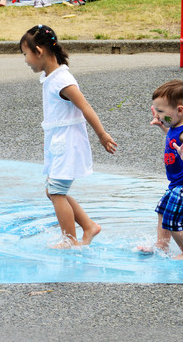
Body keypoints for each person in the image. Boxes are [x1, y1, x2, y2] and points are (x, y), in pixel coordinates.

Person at [19, 24, 117, 248]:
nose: (25, 60)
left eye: (26, 54)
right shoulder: (52, 77)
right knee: (52, 191)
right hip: (58, 143)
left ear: (39, 51)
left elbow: (85, 107)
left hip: (69, 143)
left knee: (56, 192)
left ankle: (70, 240)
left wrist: (102, 134)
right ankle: (89, 226)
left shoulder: (63, 80)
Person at [140, 80, 183, 260]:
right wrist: (162, 126)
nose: (158, 114)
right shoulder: (176, 125)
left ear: (179, 110)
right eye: (156, 110)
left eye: (162, 112)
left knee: (174, 219)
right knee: (163, 210)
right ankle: (162, 245)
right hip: (179, 184)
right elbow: (173, 137)